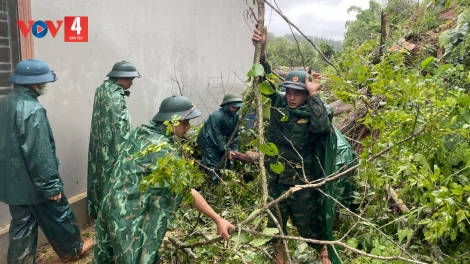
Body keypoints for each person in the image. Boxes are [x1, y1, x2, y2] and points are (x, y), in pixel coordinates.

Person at [94, 95, 235, 264]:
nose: (188, 126)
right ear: (171, 121)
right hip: (127, 214)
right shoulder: (162, 150)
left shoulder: (143, 131)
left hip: (113, 204)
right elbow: (186, 192)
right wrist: (218, 219)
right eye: (185, 122)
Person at [252, 27, 338, 264]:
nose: (291, 97)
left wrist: (314, 96)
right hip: (277, 181)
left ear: (305, 95)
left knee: (308, 226)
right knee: (276, 227)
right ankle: (281, 261)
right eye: (289, 92)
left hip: (301, 181)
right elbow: (264, 80)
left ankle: (324, 255)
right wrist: (262, 51)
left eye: (297, 94)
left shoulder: (313, 110)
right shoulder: (279, 103)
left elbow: (322, 128)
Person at [0, 59, 93, 263]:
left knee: (21, 223)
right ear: (34, 84)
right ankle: (73, 249)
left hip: (12, 182)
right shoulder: (32, 109)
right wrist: (51, 186)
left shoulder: (5, 102)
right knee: (59, 213)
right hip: (34, 183)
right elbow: (39, 152)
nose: (44, 87)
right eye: (43, 83)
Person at [87, 61, 140, 219]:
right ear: (121, 78)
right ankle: (114, 216)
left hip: (100, 143)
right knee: (115, 180)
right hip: (113, 147)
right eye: (130, 79)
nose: (132, 83)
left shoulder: (102, 89)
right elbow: (121, 127)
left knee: (101, 176)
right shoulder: (116, 96)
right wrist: (130, 150)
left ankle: (101, 213)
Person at [196, 93, 243, 184]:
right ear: (227, 105)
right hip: (207, 140)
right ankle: (214, 186)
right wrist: (226, 150)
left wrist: (233, 150)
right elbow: (216, 135)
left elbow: (235, 133)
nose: (235, 109)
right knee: (213, 164)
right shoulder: (217, 116)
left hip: (219, 139)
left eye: (237, 107)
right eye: (233, 107)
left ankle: (226, 183)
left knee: (227, 163)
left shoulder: (235, 116)